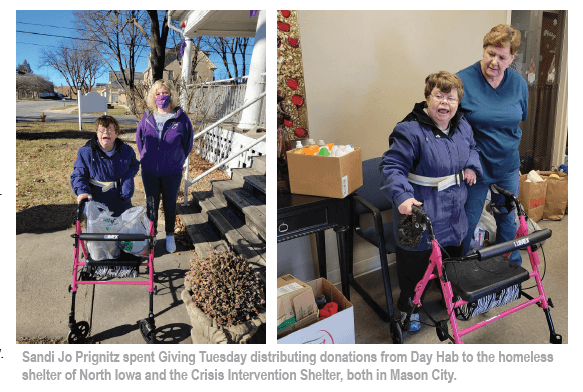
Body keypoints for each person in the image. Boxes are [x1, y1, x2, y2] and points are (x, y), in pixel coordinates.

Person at [379, 71, 482, 331]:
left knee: (453, 258)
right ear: (427, 98)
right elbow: (392, 165)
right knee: (414, 265)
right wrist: (403, 195)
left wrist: (471, 166)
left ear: (458, 102)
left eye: (451, 97)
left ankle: (451, 295)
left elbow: (472, 148)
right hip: (422, 208)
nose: (445, 103)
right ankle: (410, 307)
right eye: (439, 96)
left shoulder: (462, 125)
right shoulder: (409, 130)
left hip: (454, 208)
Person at [458, 24, 527, 265]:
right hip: (474, 168)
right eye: (490, 53)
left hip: (507, 165)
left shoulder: (518, 84)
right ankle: (457, 272)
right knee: (466, 221)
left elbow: (518, 119)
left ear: (512, 58)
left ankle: (507, 265)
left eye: (502, 57)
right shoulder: (462, 81)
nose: (494, 61)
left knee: (507, 220)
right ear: (484, 49)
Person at [136, 80, 193, 253]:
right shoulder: (147, 117)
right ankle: (151, 237)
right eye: (158, 93)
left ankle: (169, 235)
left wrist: (178, 159)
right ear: (153, 97)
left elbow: (187, 143)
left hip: (172, 172)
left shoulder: (181, 118)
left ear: (171, 95)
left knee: (169, 205)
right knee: (151, 205)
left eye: (165, 92)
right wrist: (147, 158)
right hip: (150, 171)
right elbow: (140, 141)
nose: (162, 96)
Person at [71, 115, 139, 217]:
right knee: (98, 232)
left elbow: (134, 165)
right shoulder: (86, 152)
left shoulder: (126, 150)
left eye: (110, 130)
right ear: (97, 133)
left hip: (121, 202)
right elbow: (78, 175)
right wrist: (82, 191)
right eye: (102, 130)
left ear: (116, 133)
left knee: (121, 232)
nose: (106, 133)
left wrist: (127, 179)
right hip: (96, 204)